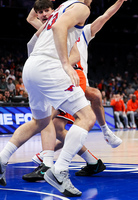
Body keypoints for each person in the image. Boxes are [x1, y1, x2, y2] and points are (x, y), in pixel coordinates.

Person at [23, 0, 126, 182]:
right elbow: (32, 17)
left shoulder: (84, 31)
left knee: (49, 122)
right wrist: (45, 5)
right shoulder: (52, 24)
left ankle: (49, 163)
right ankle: (89, 161)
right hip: (55, 77)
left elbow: (106, 15)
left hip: (70, 77)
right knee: (56, 127)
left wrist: (119, 1)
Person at [0, 0, 95, 197]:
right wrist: (65, 65)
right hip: (49, 66)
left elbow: (38, 30)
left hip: (31, 65)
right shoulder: (81, 7)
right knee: (87, 117)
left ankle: (2, 159)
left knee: (40, 121)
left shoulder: (63, 7)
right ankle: (59, 170)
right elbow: (60, 28)